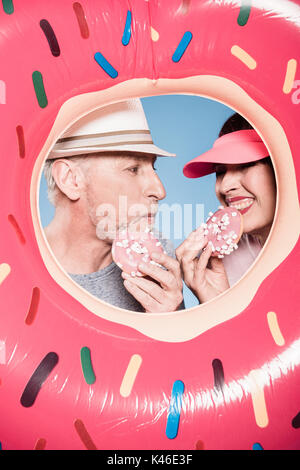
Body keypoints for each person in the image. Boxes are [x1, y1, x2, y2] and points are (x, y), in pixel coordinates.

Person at [43, 99, 184, 313]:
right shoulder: (14, 269)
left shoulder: (158, 255)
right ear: (71, 179)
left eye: (153, 167)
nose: (160, 190)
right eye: (133, 168)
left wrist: (169, 324)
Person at [176, 113, 276, 304]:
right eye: (220, 172)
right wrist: (218, 304)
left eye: (245, 165)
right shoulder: (221, 262)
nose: (224, 186)